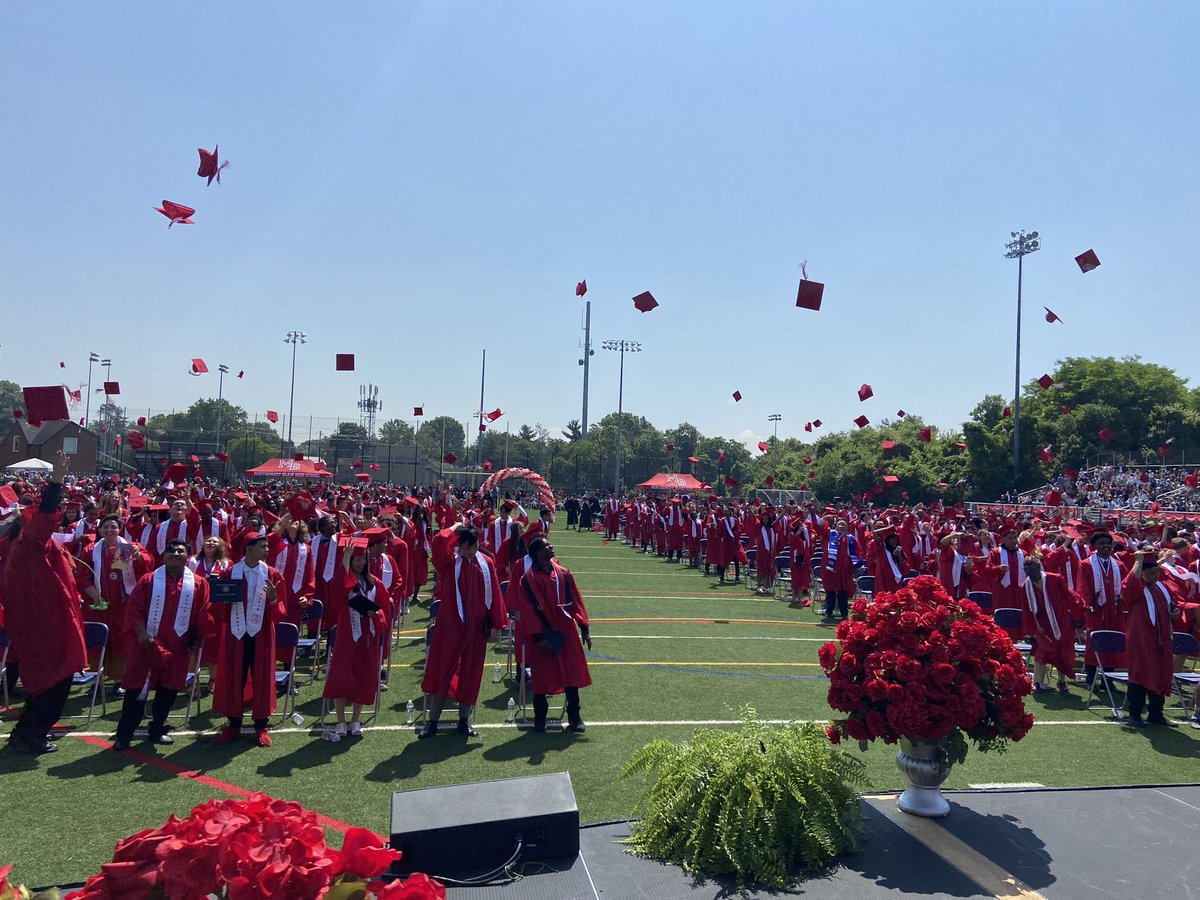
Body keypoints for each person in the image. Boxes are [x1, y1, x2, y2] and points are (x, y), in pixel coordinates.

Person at [0, 451, 88, 754]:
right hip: (46, 625)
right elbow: (46, 515)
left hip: (39, 622)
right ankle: (33, 735)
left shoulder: (16, 548)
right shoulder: (27, 545)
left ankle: (25, 732)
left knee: (42, 682)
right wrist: (57, 480)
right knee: (56, 681)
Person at [113, 539, 213, 750]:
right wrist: (141, 633)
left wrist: (196, 639)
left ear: (188, 556)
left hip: (178, 645)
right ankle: (125, 734)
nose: (176, 554)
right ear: (164, 555)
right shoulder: (148, 580)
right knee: (136, 690)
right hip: (147, 643)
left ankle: (157, 729)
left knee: (168, 691)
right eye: (171, 550)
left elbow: (202, 613)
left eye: (181, 551)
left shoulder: (197, 582)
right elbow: (134, 610)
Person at [419, 524, 507, 738]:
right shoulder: (450, 563)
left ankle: (464, 720)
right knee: (443, 671)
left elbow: (495, 593)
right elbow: (439, 542)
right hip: (451, 627)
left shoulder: (485, 563)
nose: (472, 551)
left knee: (471, 672)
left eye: (475, 546)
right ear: (459, 546)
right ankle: (432, 722)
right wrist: (455, 526)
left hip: (477, 629)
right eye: (467, 547)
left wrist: (497, 624)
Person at [211, 533, 288, 747]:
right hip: (236, 634)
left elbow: (281, 612)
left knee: (262, 677)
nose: (267, 550)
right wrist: (216, 592)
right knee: (235, 676)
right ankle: (233, 725)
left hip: (261, 633)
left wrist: (273, 598)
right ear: (248, 549)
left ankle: (261, 726)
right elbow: (218, 612)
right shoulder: (229, 573)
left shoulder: (272, 574)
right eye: (262, 546)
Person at [512, 535, 592, 733]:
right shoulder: (528, 580)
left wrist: (584, 626)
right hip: (542, 633)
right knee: (542, 678)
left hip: (566, 631)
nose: (551, 546)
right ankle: (540, 719)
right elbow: (528, 610)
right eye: (547, 545)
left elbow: (575, 601)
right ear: (538, 553)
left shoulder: (563, 573)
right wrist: (538, 636)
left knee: (571, 674)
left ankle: (575, 717)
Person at [322, 538, 388, 737]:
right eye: (356, 560)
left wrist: (376, 615)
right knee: (341, 674)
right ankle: (341, 721)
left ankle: (355, 720)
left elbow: (384, 610)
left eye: (362, 559)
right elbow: (338, 596)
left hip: (368, 635)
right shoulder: (345, 580)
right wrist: (345, 559)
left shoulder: (374, 583)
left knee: (364, 675)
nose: (359, 563)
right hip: (347, 634)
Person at [1121, 551, 1181, 728]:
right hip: (1141, 641)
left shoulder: (1160, 588)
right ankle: (1135, 714)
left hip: (1161, 641)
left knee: (1161, 674)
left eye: (1157, 572)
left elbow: (1171, 607)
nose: (1156, 576)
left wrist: (1174, 614)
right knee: (1139, 675)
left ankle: (1156, 714)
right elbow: (1128, 586)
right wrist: (1138, 561)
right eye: (1151, 573)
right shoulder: (1137, 589)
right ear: (1142, 573)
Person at [1022, 557, 1079, 693]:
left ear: (1039, 566)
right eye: (1027, 567)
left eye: (1032, 567)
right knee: (1043, 649)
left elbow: (1069, 596)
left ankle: (1061, 680)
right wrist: (1031, 628)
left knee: (1063, 650)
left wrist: (1079, 613)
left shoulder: (1055, 578)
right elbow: (1026, 608)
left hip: (1061, 621)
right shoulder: (1025, 586)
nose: (1029, 570)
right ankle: (1038, 682)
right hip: (1042, 624)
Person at [820, 517, 861, 619]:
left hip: (844, 570)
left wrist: (853, 567)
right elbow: (818, 528)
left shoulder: (851, 539)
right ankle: (829, 612)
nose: (841, 525)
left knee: (843, 592)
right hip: (831, 569)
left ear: (847, 527)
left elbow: (858, 553)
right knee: (830, 591)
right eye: (839, 524)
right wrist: (824, 519)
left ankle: (844, 614)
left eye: (844, 524)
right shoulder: (829, 535)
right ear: (836, 526)